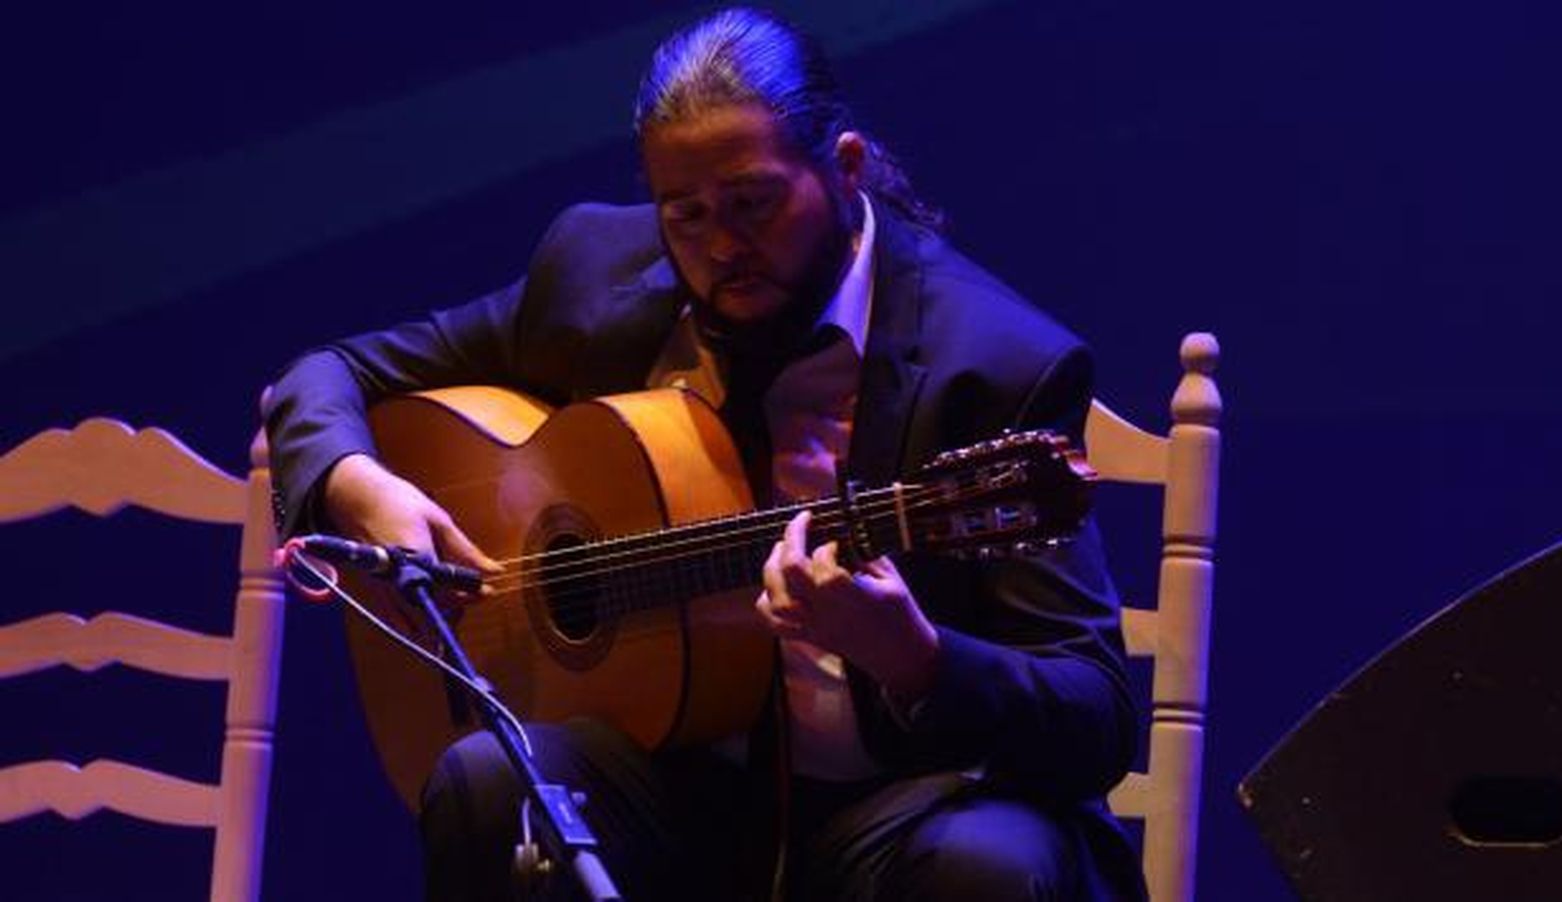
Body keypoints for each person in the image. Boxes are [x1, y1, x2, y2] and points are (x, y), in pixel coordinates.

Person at [266, 7, 1145, 900]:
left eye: (753, 203)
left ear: (843, 170)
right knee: (492, 779)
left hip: (895, 815)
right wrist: (356, 485)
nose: (722, 245)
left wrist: (916, 658)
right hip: (681, 799)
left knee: (989, 864)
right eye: (685, 214)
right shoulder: (600, 273)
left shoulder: (990, 363)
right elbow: (326, 373)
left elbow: (1099, 715)